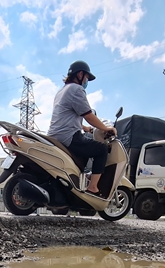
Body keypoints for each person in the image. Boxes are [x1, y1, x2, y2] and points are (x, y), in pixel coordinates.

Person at [47, 60, 116, 196]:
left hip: (55, 135)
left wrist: (87, 128)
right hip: (68, 136)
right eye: (87, 78)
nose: (87, 81)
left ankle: (70, 190)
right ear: (80, 74)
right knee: (101, 150)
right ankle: (93, 187)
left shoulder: (61, 92)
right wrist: (106, 129)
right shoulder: (76, 89)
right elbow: (89, 115)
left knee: (82, 157)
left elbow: (68, 116)